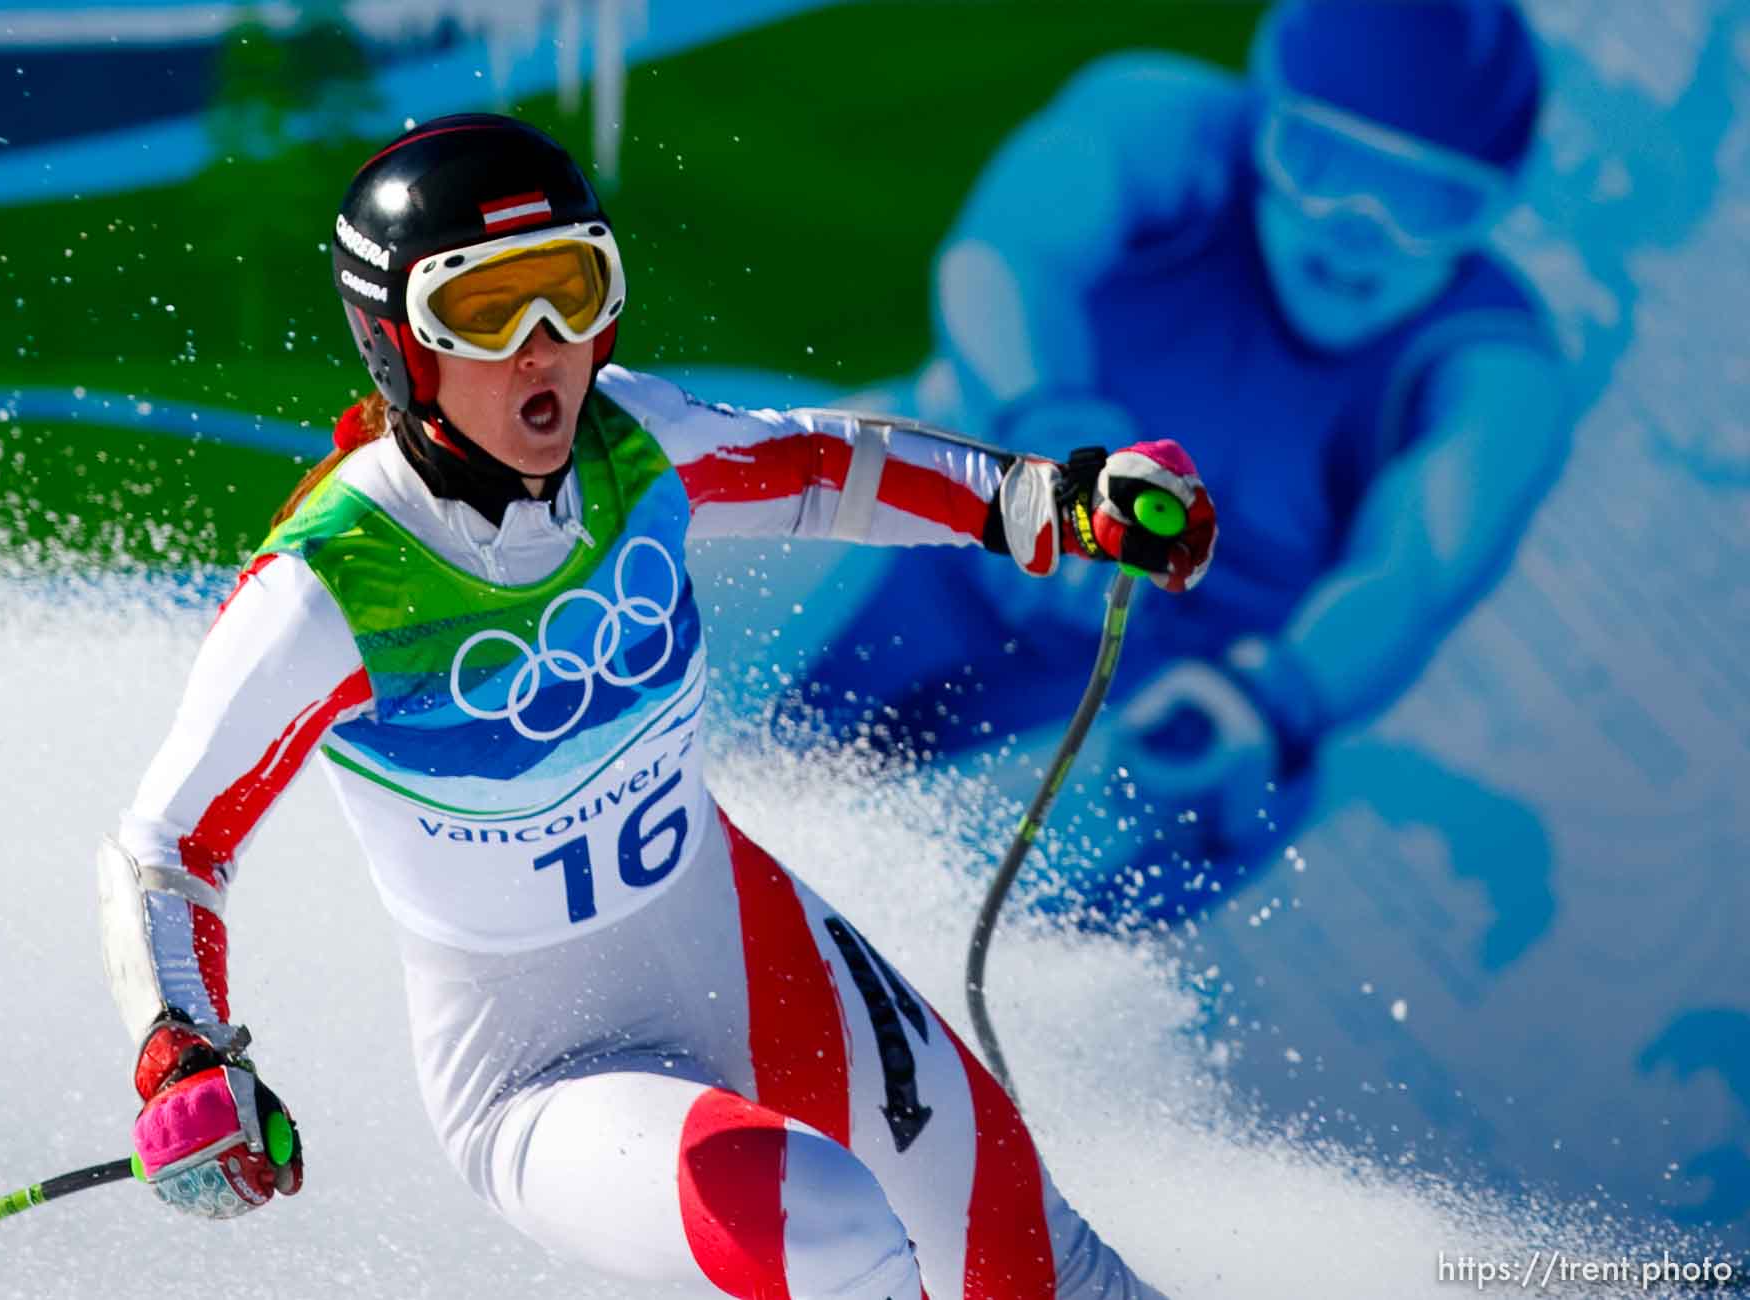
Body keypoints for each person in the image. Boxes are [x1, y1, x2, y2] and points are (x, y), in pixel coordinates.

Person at [97, 114, 1216, 1299]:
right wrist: (182, 1052)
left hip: (745, 942)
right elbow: (169, 848)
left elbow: (822, 469)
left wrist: (1047, 498)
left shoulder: (634, 442)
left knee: (1015, 1229)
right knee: (820, 1225)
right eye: (487, 312)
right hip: (542, 1074)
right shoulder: (328, 589)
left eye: (569, 292)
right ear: (397, 346)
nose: (543, 350)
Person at [805, 0, 1569, 927]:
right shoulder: (1167, 131)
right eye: (1321, 167)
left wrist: (1275, 697)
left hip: (1165, 694)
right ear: (1263, 117)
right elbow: (1007, 256)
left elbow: (1410, 572)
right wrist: (1055, 433)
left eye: (1422, 204)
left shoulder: (1493, 373)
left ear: (1486, 211)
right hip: (975, 529)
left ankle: (1006, 989)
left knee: (1233, 789)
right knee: (842, 500)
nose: (1355, 231)